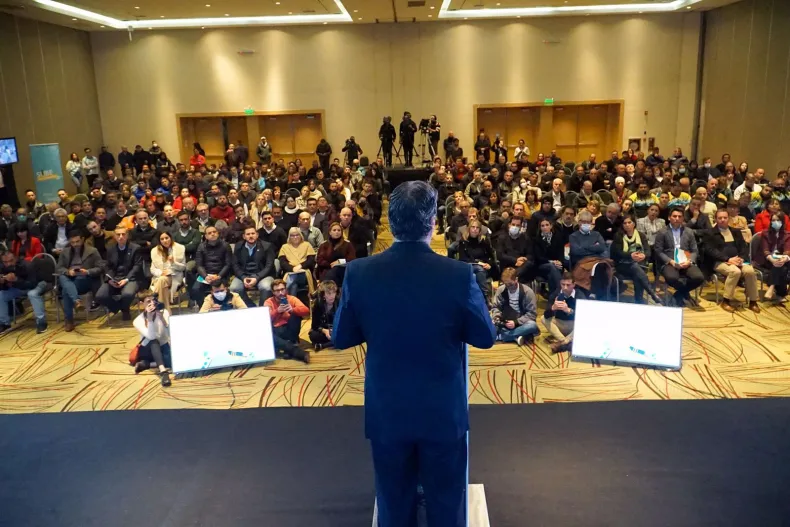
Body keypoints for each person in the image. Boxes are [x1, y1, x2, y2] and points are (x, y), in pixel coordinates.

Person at [332, 180, 496, 527]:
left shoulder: (359, 272)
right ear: (433, 222)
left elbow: (342, 337)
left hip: (387, 410)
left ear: (390, 223)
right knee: (446, 505)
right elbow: (485, 337)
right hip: (442, 412)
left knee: (393, 504)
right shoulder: (459, 274)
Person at [704, 209, 760, 313]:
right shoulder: (710, 233)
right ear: (716, 219)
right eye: (720, 218)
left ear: (728, 218)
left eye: (725, 218)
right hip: (719, 261)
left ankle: (753, 301)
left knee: (750, 271)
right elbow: (710, 251)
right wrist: (728, 259)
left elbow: (744, 248)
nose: (722, 220)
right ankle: (726, 301)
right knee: (735, 271)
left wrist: (741, 258)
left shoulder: (736, 231)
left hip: (737, 260)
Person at [654, 207, 705, 307]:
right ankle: (684, 293)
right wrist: (671, 261)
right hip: (670, 261)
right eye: (674, 216)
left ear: (682, 218)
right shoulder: (662, 232)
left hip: (686, 260)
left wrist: (690, 261)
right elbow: (658, 251)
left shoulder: (689, 231)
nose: (677, 218)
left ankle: (679, 294)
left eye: (679, 216)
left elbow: (694, 250)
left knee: (699, 278)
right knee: (672, 278)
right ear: (669, 218)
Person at [56, 229, 103, 332]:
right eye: (72, 242)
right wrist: (68, 271)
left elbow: (100, 268)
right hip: (70, 278)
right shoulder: (65, 252)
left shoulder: (92, 251)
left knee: (65, 290)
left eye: (77, 241)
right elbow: (59, 268)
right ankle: (77, 301)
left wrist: (87, 271)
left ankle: (69, 320)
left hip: (85, 279)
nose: (75, 244)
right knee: (63, 278)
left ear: (82, 239)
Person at [611, 216, 661, 304]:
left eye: (629, 222)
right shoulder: (618, 236)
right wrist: (630, 255)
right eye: (624, 223)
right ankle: (650, 294)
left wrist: (644, 255)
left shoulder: (641, 235)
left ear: (634, 224)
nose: (627, 225)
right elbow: (617, 253)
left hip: (639, 264)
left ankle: (640, 300)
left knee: (637, 273)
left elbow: (648, 250)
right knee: (635, 267)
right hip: (622, 265)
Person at [96, 227, 142, 319]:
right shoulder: (110, 249)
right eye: (118, 234)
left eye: (123, 234)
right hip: (115, 277)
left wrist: (126, 279)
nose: (121, 237)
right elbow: (108, 266)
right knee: (100, 296)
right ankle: (120, 308)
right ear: (114, 236)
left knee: (127, 294)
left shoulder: (135, 248)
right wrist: (109, 279)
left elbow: (137, 266)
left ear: (127, 235)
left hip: (130, 277)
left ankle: (124, 309)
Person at [263, 279, 311, 363]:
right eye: (277, 291)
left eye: (282, 289)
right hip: (277, 331)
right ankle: (294, 350)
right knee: (267, 334)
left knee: (296, 315)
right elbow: (265, 319)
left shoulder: (292, 298)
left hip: (290, 329)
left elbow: (306, 311)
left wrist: (292, 310)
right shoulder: (268, 302)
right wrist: (277, 311)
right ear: (273, 292)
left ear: (286, 289)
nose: (281, 293)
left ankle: (287, 347)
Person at [132, 289, 173, 387]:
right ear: (141, 304)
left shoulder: (164, 312)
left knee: (173, 363)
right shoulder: (138, 320)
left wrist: (163, 319)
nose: (152, 303)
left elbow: (169, 334)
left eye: (153, 300)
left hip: (163, 345)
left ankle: (147, 364)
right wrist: (150, 320)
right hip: (147, 349)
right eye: (148, 301)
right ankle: (163, 372)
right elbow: (151, 336)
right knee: (154, 341)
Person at [491, 267, 540, 345]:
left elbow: (532, 314)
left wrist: (516, 322)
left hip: (521, 322)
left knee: (532, 326)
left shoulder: (528, 292)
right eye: (506, 284)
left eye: (510, 284)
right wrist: (497, 317)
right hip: (505, 321)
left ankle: (502, 336)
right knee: (489, 321)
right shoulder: (501, 290)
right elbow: (495, 307)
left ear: (516, 279)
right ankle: (517, 336)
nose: (508, 287)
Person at [231, 226, 276, 307]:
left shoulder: (267, 246)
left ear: (257, 235)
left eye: (253, 233)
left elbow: (269, 266)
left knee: (266, 287)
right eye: (248, 234)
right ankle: (250, 307)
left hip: (263, 275)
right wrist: (243, 277)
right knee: (234, 288)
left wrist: (257, 277)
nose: (251, 236)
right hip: (244, 275)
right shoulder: (238, 246)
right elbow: (235, 265)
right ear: (244, 236)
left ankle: (262, 309)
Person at [457, 219, 497, 305]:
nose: (475, 229)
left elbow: (491, 256)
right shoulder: (463, 242)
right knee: (478, 269)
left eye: (477, 228)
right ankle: (485, 297)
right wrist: (478, 263)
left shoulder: (484, 241)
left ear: (480, 230)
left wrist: (489, 264)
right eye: (473, 227)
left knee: (479, 272)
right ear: (469, 229)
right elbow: (463, 258)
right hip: (468, 267)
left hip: (484, 267)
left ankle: (480, 298)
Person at [0, 251, 42, 333]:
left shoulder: (27, 265)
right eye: (5, 262)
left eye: (11, 261)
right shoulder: (2, 267)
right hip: (17, 288)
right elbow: (4, 288)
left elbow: (32, 284)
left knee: (32, 294)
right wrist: (2, 282)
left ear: (16, 258)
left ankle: (41, 322)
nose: (8, 264)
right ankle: (4, 323)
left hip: (35, 285)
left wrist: (16, 280)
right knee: (1, 295)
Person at [543, 271, 584, 353]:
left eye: (568, 285)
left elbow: (584, 316)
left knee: (587, 322)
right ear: (560, 283)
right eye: (563, 284)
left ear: (574, 284)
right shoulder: (556, 294)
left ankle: (562, 343)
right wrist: (553, 308)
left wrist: (568, 310)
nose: (565, 287)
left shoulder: (580, 295)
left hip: (574, 326)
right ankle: (565, 342)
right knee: (543, 319)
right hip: (560, 325)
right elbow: (546, 315)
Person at [191, 226, 232, 305]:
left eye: (214, 232)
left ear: (218, 233)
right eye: (209, 233)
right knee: (196, 289)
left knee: (221, 290)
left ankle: (223, 307)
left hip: (221, 275)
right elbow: (199, 265)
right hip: (206, 276)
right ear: (206, 236)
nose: (212, 234)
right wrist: (205, 276)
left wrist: (219, 276)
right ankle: (203, 308)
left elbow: (228, 264)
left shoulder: (225, 245)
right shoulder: (201, 246)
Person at [149, 230, 186, 310]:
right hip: (160, 277)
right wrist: (161, 273)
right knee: (163, 283)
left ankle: (155, 297)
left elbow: (183, 267)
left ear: (171, 238)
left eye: (167, 238)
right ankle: (167, 310)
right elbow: (152, 269)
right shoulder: (155, 251)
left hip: (175, 276)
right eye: (162, 239)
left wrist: (173, 263)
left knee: (162, 281)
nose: (165, 240)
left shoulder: (180, 248)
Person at [760, 211, 790, 303]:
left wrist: (784, 259)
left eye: (778, 220)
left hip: (782, 260)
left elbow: (787, 250)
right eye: (773, 220)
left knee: (782, 265)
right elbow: (765, 250)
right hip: (768, 260)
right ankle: (781, 294)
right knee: (782, 268)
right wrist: (773, 260)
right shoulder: (765, 233)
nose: (775, 222)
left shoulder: (787, 234)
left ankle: (772, 286)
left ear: (782, 222)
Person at [532, 218, 566, 295]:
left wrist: (560, 262)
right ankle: (561, 291)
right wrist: (552, 262)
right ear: (540, 228)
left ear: (551, 226)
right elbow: (538, 257)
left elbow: (561, 254)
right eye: (542, 226)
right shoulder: (536, 240)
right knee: (552, 267)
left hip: (556, 266)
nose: (545, 227)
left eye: (547, 225)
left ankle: (552, 297)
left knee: (551, 273)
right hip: (541, 266)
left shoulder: (558, 238)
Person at [279, 227, 316, 296]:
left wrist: (300, 266)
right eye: (292, 235)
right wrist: (292, 269)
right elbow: (283, 263)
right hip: (289, 272)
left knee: (292, 278)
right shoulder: (284, 247)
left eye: (297, 235)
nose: (295, 237)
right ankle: (291, 302)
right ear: (289, 237)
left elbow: (311, 261)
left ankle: (282, 290)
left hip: (304, 273)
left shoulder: (307, 245)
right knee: (294, 286)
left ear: (300, 235)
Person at [316, 221, 355, 286]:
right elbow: (319, 260)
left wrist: (339, 262)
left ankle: (323, 287)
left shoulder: (347, 244)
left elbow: (352, 258)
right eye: (334, 230)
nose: (337, 232)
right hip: (327, 269)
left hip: (342, 269)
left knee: (336, 270)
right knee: (329, 273)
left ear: (341, 232)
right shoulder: (324, 245)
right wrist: (330, 265)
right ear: (330, 232)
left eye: (339, 230)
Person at [496, 216, 532, 283]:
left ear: (521, 227)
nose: (515, 227)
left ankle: (511, 278)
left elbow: (530, 254)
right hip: (507, 265)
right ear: (509, 225)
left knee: (529, 263)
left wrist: (524, 259)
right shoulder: (502, 238)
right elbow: (500, 255)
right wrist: (516, 260)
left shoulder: (525, 238)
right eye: (513, 224)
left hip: (522, 266)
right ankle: (512, 278)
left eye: (518, 225)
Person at [309, 280, 338, 351]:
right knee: (313, 335)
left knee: (350, 333)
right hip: (324, 329)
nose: (332, 296)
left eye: (333, 292)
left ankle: (322, 345)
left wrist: (335, 329)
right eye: (329, 293)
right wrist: (325, 331)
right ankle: (334, 341)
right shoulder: (318, 304)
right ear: (323, 294)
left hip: (337, 329)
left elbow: (345, 321)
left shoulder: (339, 302)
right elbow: (314, 326)